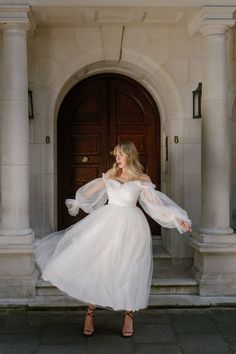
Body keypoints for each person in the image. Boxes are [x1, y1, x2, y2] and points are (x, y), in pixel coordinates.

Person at [35, 141, 192, 338]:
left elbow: (155, 203)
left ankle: (128, 317)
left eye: (121, 154)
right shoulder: (110, 175)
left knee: (131, 269)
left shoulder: (141, 178)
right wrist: (79, 201)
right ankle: (89, 315)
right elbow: (89, 191)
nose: (117, 157)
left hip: (133, 227)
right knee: (100, 266)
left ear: (130, 156)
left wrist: (177, 218)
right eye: (116, 154)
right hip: (108, 223)